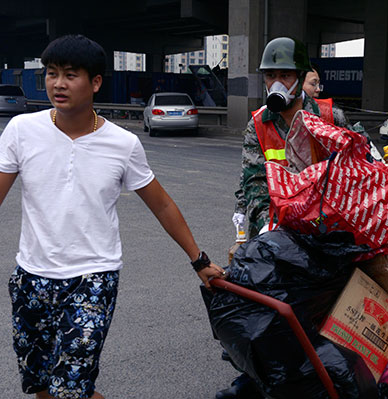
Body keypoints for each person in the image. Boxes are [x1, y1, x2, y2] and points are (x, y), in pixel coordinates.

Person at [0, 34, 225, 399]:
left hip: (93, 277)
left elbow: (162, 204)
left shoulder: (122, 144)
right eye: (52, 73)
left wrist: (198, 259)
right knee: (41, 385)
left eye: (71, 75)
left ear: (96, 82)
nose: (58, 83)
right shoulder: (22, 131)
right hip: (32, 277)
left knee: (69, 390)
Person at [231, 37, 352, 240]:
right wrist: (266, 226)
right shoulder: (259, 124)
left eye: (285, 76)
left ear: (301, 77)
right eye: (270, 76)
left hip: (325, 226)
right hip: (276, 228)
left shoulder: (330, 117)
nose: (277, 83)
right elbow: (254, 180)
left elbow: (360, 166)